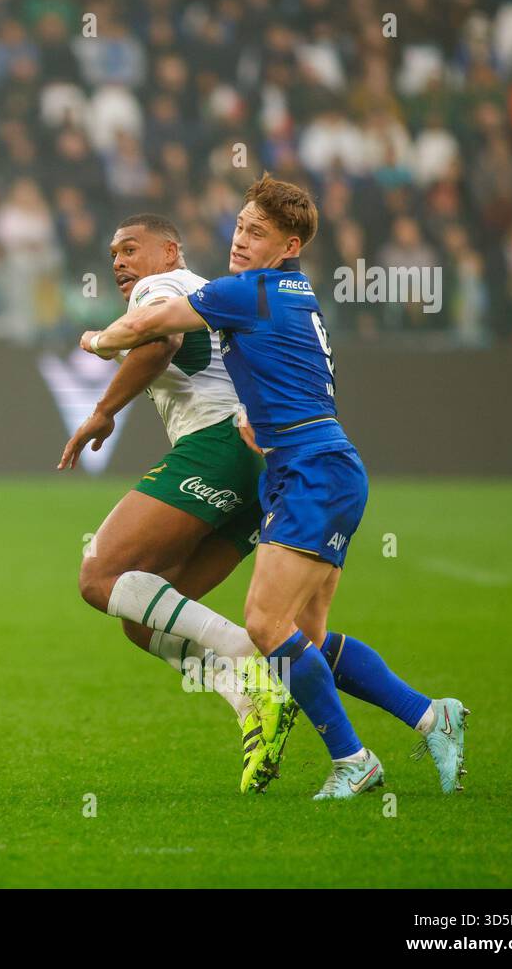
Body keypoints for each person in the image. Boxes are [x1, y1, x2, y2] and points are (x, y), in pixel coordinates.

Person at [79, 174, 468, 799]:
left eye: (256, 233)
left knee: (262, 622)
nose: (239, 240)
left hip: (309, 469)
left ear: (288, 245)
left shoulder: (250, 291)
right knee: (303, 640)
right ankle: (431, 716)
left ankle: (352, 759)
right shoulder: (295, 294)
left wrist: (98, 340)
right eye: (238, 226)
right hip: (313, 466)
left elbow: (153, 328)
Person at [61, 213, 296, 792]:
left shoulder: (160, 288)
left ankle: (249, 660)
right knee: (143, 620)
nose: (119, 261)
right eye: (113, 253)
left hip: (216, 444)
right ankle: (251, 703)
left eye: (131, 248)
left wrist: (103, 408)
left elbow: (160, 341)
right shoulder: (212, 295)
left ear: (171, 252)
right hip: (260, 469)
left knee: (100, 576)